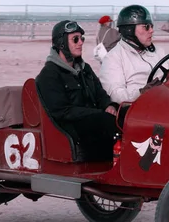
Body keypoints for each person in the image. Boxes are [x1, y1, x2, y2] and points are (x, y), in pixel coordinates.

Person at [35, 20, 119, 161]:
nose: (81, 43)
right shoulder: (49, 75)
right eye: (75, 39)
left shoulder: (85, 69)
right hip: (71, 128)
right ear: (61, 43)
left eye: (82, 39)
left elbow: (100, 94)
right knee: (106, 121)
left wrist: (109, 106)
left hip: (93, 121)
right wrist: (99, 114)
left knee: (126, 114)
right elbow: (62, 112)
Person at [98, 5, 168, 104]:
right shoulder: (113, 58)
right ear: (129, 30)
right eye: (146, 27)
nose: (152, 31)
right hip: (140, 110)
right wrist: (141, 93)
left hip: (168, 101)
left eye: (152, 26)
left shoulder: (158, 51)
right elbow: (116, 94)